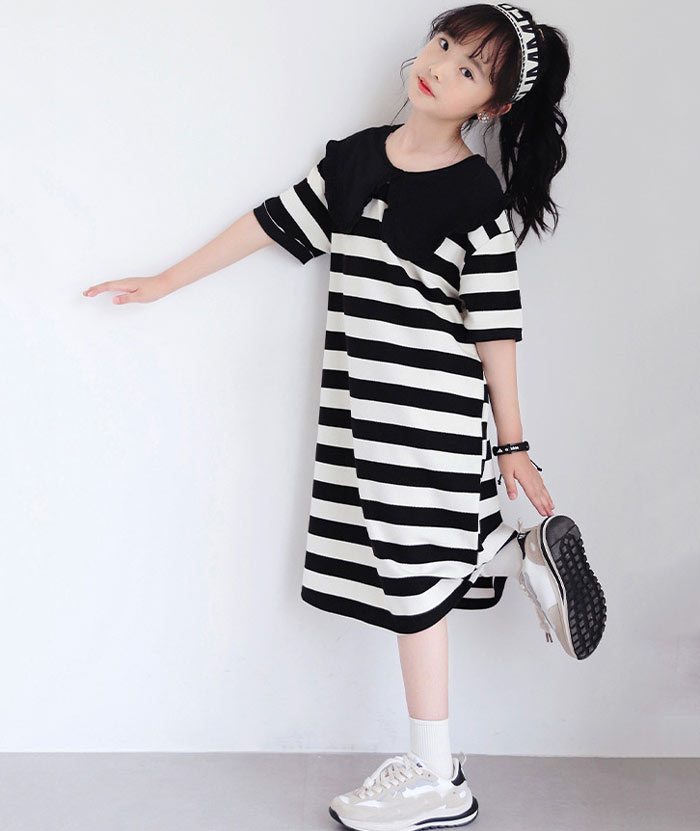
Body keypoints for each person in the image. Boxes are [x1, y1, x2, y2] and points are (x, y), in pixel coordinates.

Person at [83, 3, 607, 829]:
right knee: (413, 563)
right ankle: (517, 553)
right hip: (365, 412)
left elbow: (496, 328)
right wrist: (165, 280)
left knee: (412, 583)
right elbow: (270, 221)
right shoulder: (358, 159)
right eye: (444, 44)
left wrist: (514, 444)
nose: (439, 66)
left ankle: (438, 773)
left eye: (468, 68)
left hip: (432, 413)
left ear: (493, 105)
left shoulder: (477, 195)